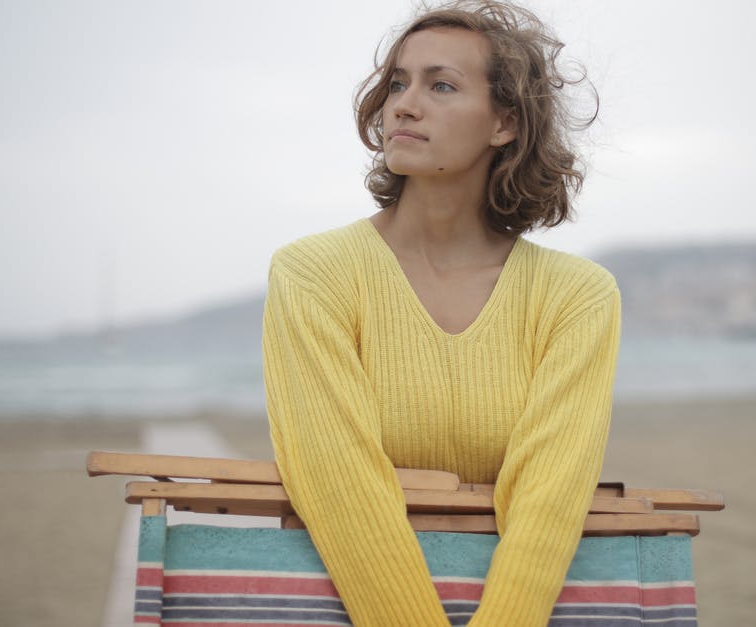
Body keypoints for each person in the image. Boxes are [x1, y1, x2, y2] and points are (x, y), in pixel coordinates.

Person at [261, 1, 620, 624]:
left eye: (442, 85)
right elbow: (337, 481)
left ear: (504, 123)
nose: (403, 103)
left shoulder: (577, 297)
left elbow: (549, 500)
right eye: (397, 82)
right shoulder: (313, 274)